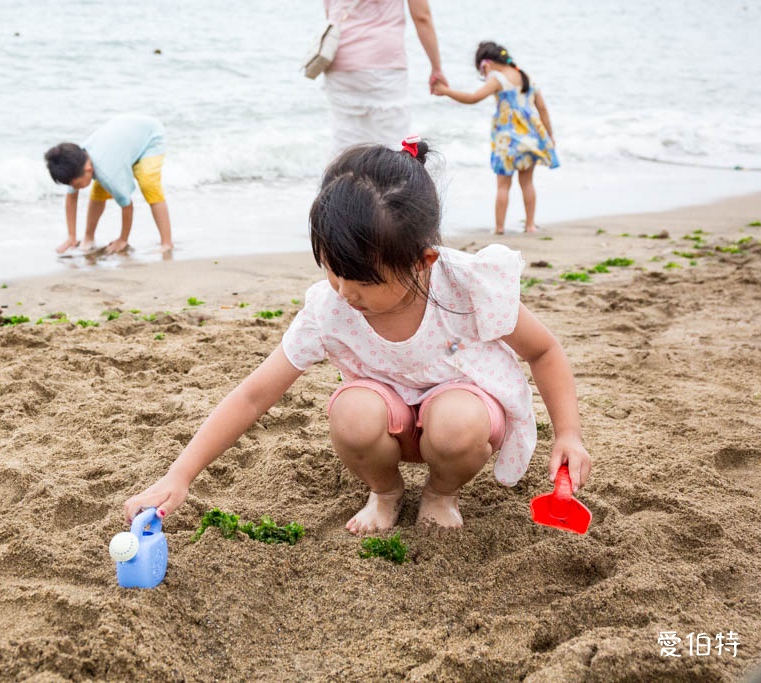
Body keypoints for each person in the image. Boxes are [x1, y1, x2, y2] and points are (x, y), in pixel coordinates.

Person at [123, 140, 591, 535]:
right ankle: (385, 492)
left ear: (422, 262)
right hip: (387, 424)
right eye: (332, 270)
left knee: (456, 421)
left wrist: (568, 434)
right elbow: (252, 395)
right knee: (350, 410)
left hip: (462, 423)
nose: (345, 292)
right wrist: (179, 474)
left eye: (363, 281)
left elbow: (543, 350)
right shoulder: (330, 310)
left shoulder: (468, 285)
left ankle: (440, 493)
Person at [433, 41, 558, 235]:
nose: (484, 77)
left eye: (482, 72)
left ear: (486, 64)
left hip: (507, 140)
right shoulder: (526, 77)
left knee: (503, 185)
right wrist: (549, 135)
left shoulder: (497, 79)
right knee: (527, 183)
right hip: (530, 138)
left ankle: (499, 228)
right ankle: (530, 225)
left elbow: (473, 98)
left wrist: (446, 91)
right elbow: (542, 108)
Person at [322, 0, 446, 156]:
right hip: (384, 63)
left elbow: (330, 11)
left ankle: (341, 179)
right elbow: (422, 17)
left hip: (339, 59)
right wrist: (436, 67)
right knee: (394, 146)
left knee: (344, 146)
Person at [44, 114, 173, 256]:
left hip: (150, 137)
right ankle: (89, 237)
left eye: (78, 185)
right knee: (98, 191)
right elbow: (71, 198)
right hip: (125, 137)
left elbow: (127, 206)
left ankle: (166, 243)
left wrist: (123, 239)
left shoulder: (108, 175)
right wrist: (71, 236)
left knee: (149, 184)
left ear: (88, 170)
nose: (77, 188)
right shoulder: (72, 163)